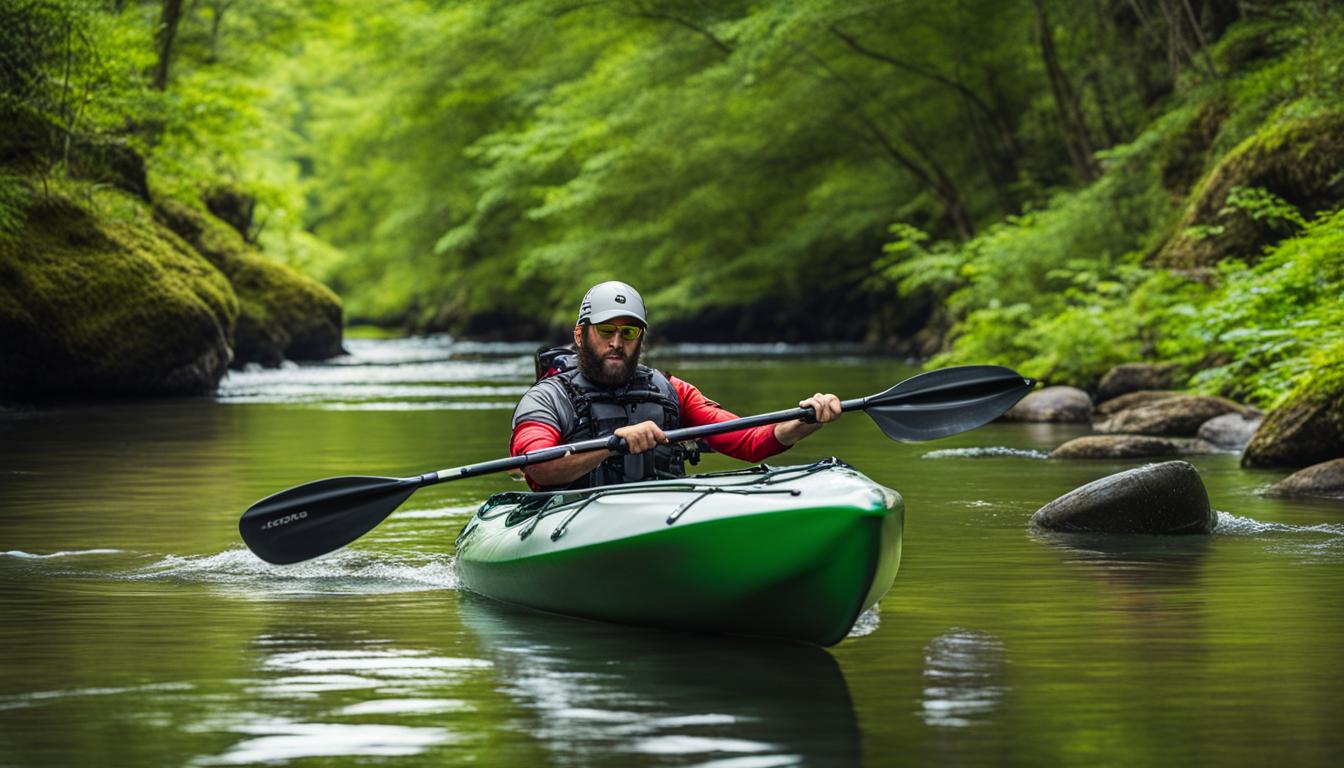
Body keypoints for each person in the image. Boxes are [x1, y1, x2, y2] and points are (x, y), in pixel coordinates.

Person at [510, 281, 842, 491]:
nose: (616, 342)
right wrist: (610, 445)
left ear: (640, 338)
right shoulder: (548, 397)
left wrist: (803, 421)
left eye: (628, 333)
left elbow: (748, 440)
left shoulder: (670, 391)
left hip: (661, 517)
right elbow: (538, 467)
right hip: (571, 523)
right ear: (581, 335)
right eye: (605, 330)